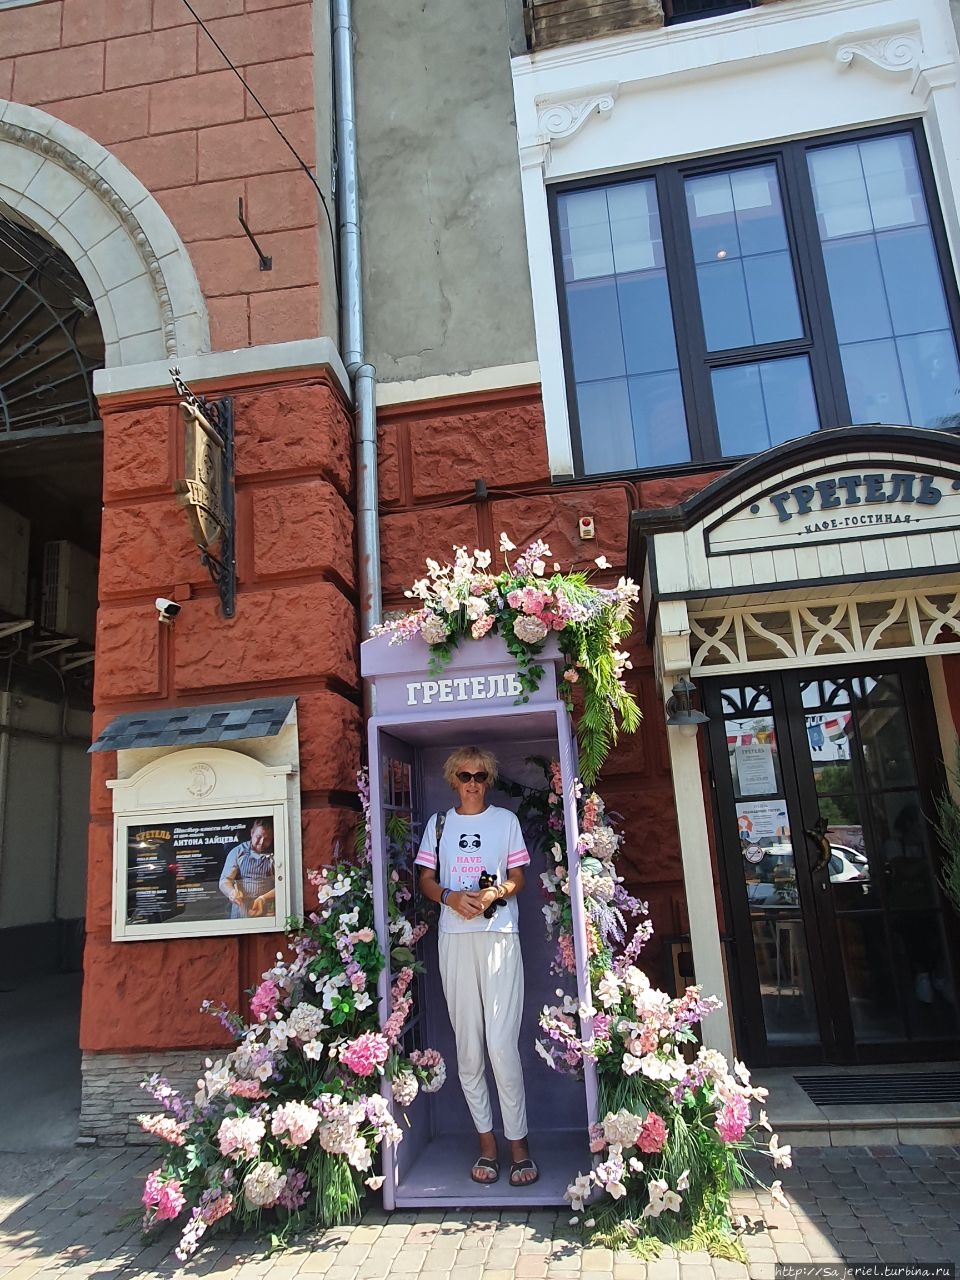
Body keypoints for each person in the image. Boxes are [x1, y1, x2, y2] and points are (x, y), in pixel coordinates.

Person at [415, 746, 538, 1187]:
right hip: (455, 938)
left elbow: (520, 876)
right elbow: (426, 879)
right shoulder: (439, 824)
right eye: (465, 775)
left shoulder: (505, 821)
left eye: (480, 775)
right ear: (453, 779)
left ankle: (518, 1144)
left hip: (499, 935)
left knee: (502, 1046)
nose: (472, 782)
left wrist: (495, 893)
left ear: (489, 779)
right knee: (468, 1048)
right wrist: (450, 897)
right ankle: (487, 1144)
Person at [219, 818, 276, 919]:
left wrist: (263, 898)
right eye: (258, 837)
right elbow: (224, 881)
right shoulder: (238, 852)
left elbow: (283, 884)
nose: (261, 842)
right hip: (241, 907)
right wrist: (232, 893)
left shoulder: (275, 854)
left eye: (267, 839)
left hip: (267, 907)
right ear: (251, 833)